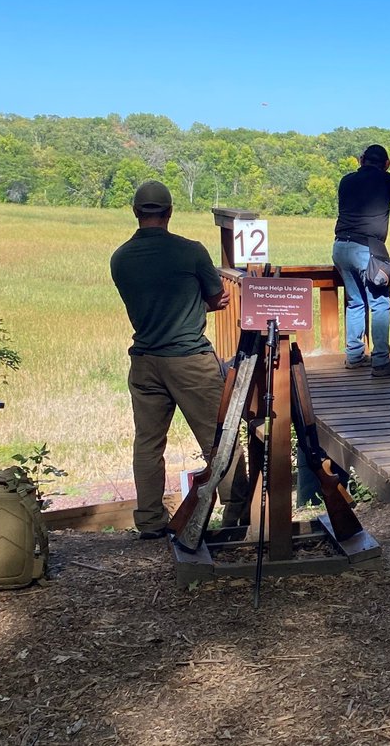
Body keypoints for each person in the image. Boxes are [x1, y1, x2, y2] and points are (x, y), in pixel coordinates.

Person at [110, 181, 250, 539]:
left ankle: (151, 521)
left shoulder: (121, 258)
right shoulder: (191, 252)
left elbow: (151, 307)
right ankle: (237, 515)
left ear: (136, 212)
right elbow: (217, 297)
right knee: (220, 439)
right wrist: (199, 305)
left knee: (148, 444)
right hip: (189, 359)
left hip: (144, 360)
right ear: (169, 212)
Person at [333, 144, 390, 377]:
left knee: (355, 302)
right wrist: (387, 176)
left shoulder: (346, 180)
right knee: (379, 304)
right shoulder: (386, 179)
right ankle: (380, 362)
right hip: (367, 249)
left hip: (340, 247)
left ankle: (355, 356)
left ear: (361, 160)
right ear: (386, 164)